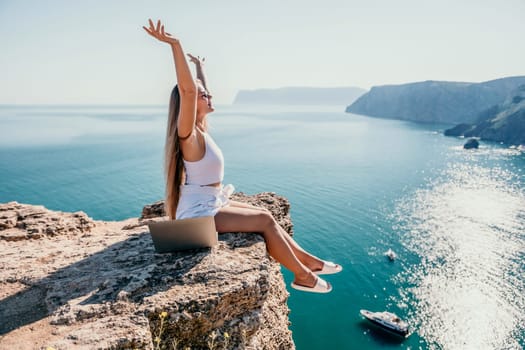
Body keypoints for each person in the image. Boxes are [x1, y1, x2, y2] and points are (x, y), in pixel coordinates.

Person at [143, 19, 342, 293]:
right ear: (188, 104)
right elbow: (188, 90)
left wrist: (200, 68)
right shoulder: (188, 135)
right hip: (197, 213)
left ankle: (309, 261)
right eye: (204, 95)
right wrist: (175, 45)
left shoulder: (200, 128)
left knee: (264, 211)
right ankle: (303, 276)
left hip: (207, 201)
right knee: (264, 221)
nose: (210, 95)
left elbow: (197, 90)